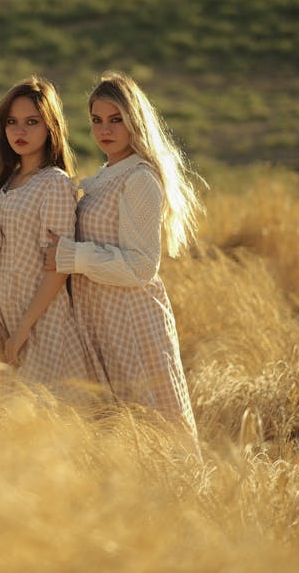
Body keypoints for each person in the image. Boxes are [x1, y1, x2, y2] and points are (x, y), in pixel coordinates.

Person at [44, 72, 202, 439]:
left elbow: (141, 266)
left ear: (135, 121)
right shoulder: (106, 174)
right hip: (101, 319)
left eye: (116, 120)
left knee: (152, 434)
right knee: (112, 434)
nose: (105, 130)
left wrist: (71, 256)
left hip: (132, 323)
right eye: (97, 120)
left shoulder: (140, 178)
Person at [0, 76, 90, 397]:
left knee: (40, 426)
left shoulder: (55, 184)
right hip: (0, 324)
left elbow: (58, 266)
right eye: (12, 122)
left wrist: (21, 334)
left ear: (50, 128)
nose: (19, 131)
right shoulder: (0, 178)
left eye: (31, 122)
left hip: (42, 325)